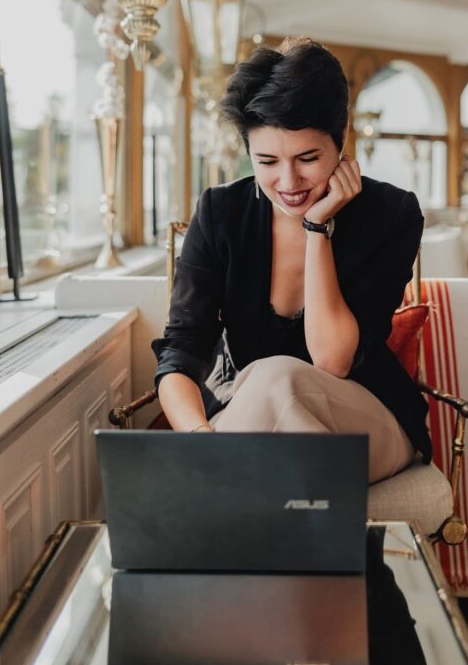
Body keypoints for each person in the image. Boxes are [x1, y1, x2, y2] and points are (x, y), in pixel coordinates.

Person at [152, 36, 432, 482]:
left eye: (308, 158)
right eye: (266, 161)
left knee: (276, 377)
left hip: (365, 422)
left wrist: (318, 229)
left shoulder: (391, 214)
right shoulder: (220, 213)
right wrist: (199, 436)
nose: (288, 181)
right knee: (265, 400)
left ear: (341, 140)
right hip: (259, 424)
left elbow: (332, 361)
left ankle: (211, 501)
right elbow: (181, 351)